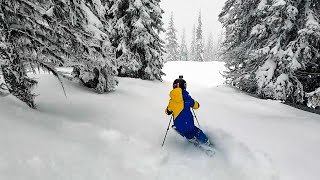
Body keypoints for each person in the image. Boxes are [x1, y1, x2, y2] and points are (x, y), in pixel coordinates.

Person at [165, 76, 209, 145]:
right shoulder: (187, 97)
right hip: (189, 124)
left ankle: (191, 138)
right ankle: (206, 142)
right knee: (196, 131)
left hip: (178, 125)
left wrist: (170, 110)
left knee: (186, 131)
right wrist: (197, 104)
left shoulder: (172, 100)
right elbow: (196, 106)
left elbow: (167, 112)